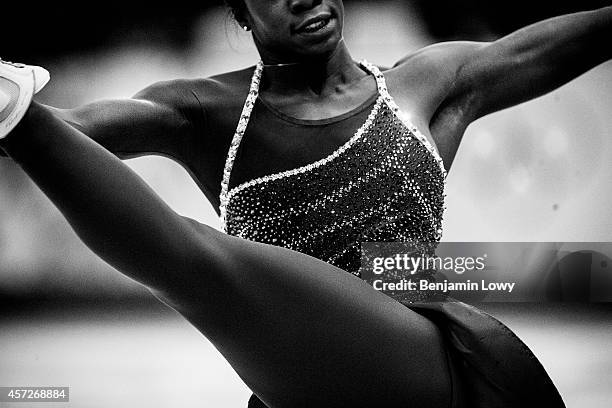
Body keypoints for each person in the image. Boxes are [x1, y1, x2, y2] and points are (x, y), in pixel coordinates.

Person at [1, 1, 610, 406]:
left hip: (419, 371)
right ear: (241, 12)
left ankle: (12, 107)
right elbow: (75, 132)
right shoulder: (202, 110)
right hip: (295, 384)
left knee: (199, 262)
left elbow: (557, 46)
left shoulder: (426, 85)